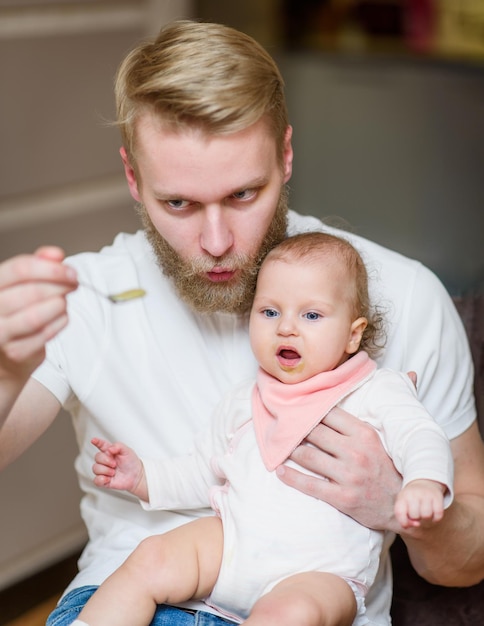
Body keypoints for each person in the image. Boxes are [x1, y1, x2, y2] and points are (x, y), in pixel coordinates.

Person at [0, 19, 482, 626]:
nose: (216, 241)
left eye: (243, 195)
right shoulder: (85, 295)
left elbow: (465, 562)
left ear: (285, 155)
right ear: (132, 178)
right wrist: (7, 370)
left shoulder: (404, 294)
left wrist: (397, 503)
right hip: (139, 596)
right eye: (179, 203)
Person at [71, 232, 454, 626]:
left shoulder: (374, 390)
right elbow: (201, 472)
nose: (286, 328)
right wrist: (143, 477)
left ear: (354, 333)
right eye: (270, 312)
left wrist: (424, 482)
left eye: (311, 315)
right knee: (152, 556)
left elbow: (421, 435)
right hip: (233, 546)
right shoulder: (244, 400)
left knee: (289, 615)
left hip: (320, 573)